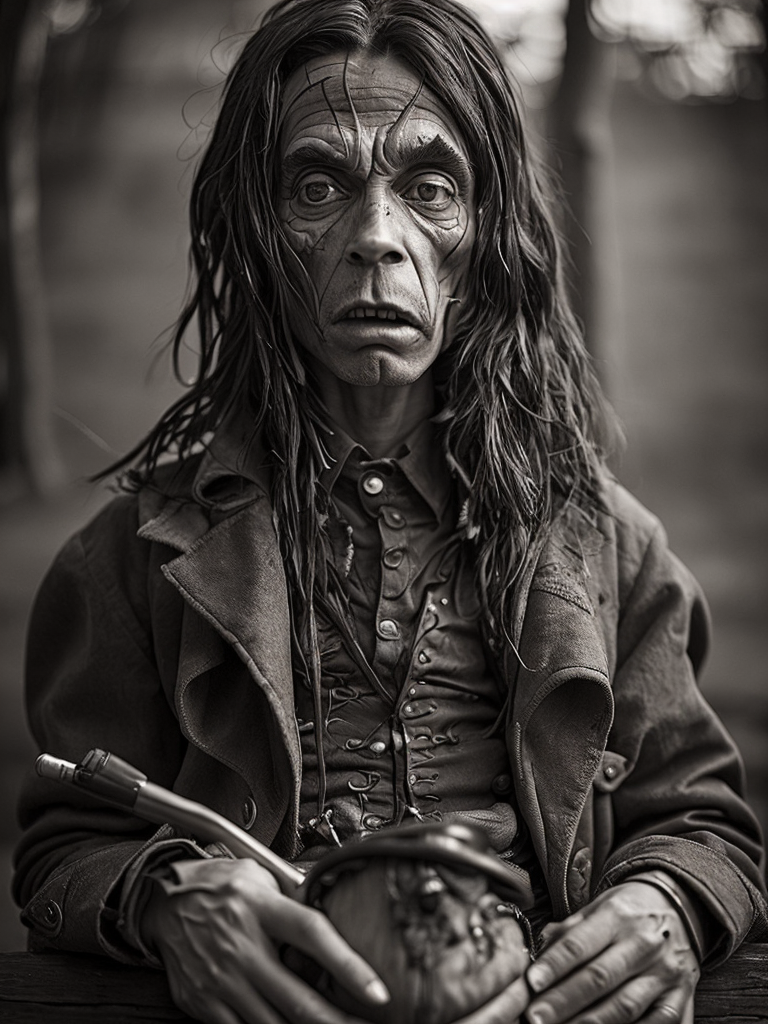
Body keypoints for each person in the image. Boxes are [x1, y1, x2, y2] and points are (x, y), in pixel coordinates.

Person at [13, 1, 767, 1022]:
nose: (377, 238)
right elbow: (62, 846)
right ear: (257, 229)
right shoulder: (129, 562)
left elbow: (706, 823)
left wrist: (667, 900)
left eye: (430, 187)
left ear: (488, 230)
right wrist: (163, 895)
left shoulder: (610, 548)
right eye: (318, 186)